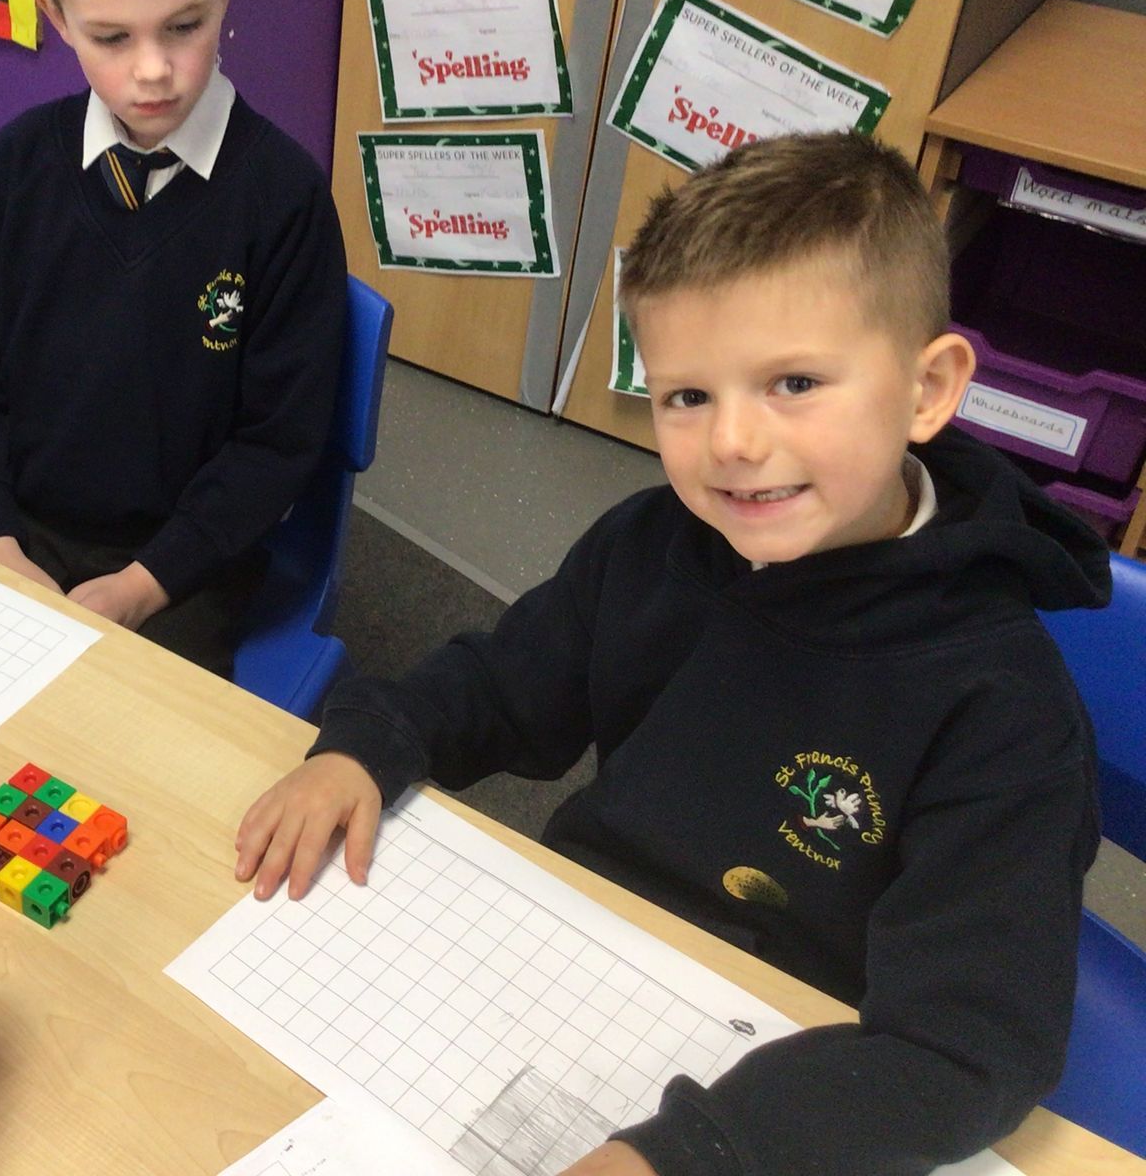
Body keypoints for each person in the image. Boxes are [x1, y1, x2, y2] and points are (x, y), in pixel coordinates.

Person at [234, 132, 1108, 1176]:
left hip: (796, 1074)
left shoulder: (1003, 708)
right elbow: (496, 688)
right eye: (688, 396)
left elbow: (966, 1047)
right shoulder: (653, 545)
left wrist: (693, 1157)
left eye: (792, 382)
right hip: (577, 969)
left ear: (929, 390)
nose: (733, 441)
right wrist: (366, 745)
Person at [0, 0, 346, 678]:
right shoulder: (23, 163)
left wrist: (146, 584)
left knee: (128, 765)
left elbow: (277, 445)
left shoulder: (283, 199)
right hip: (15, 533)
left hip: (186, 565)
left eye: (183, 26)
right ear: (57, 17)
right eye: (111, 37)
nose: (152, 69)